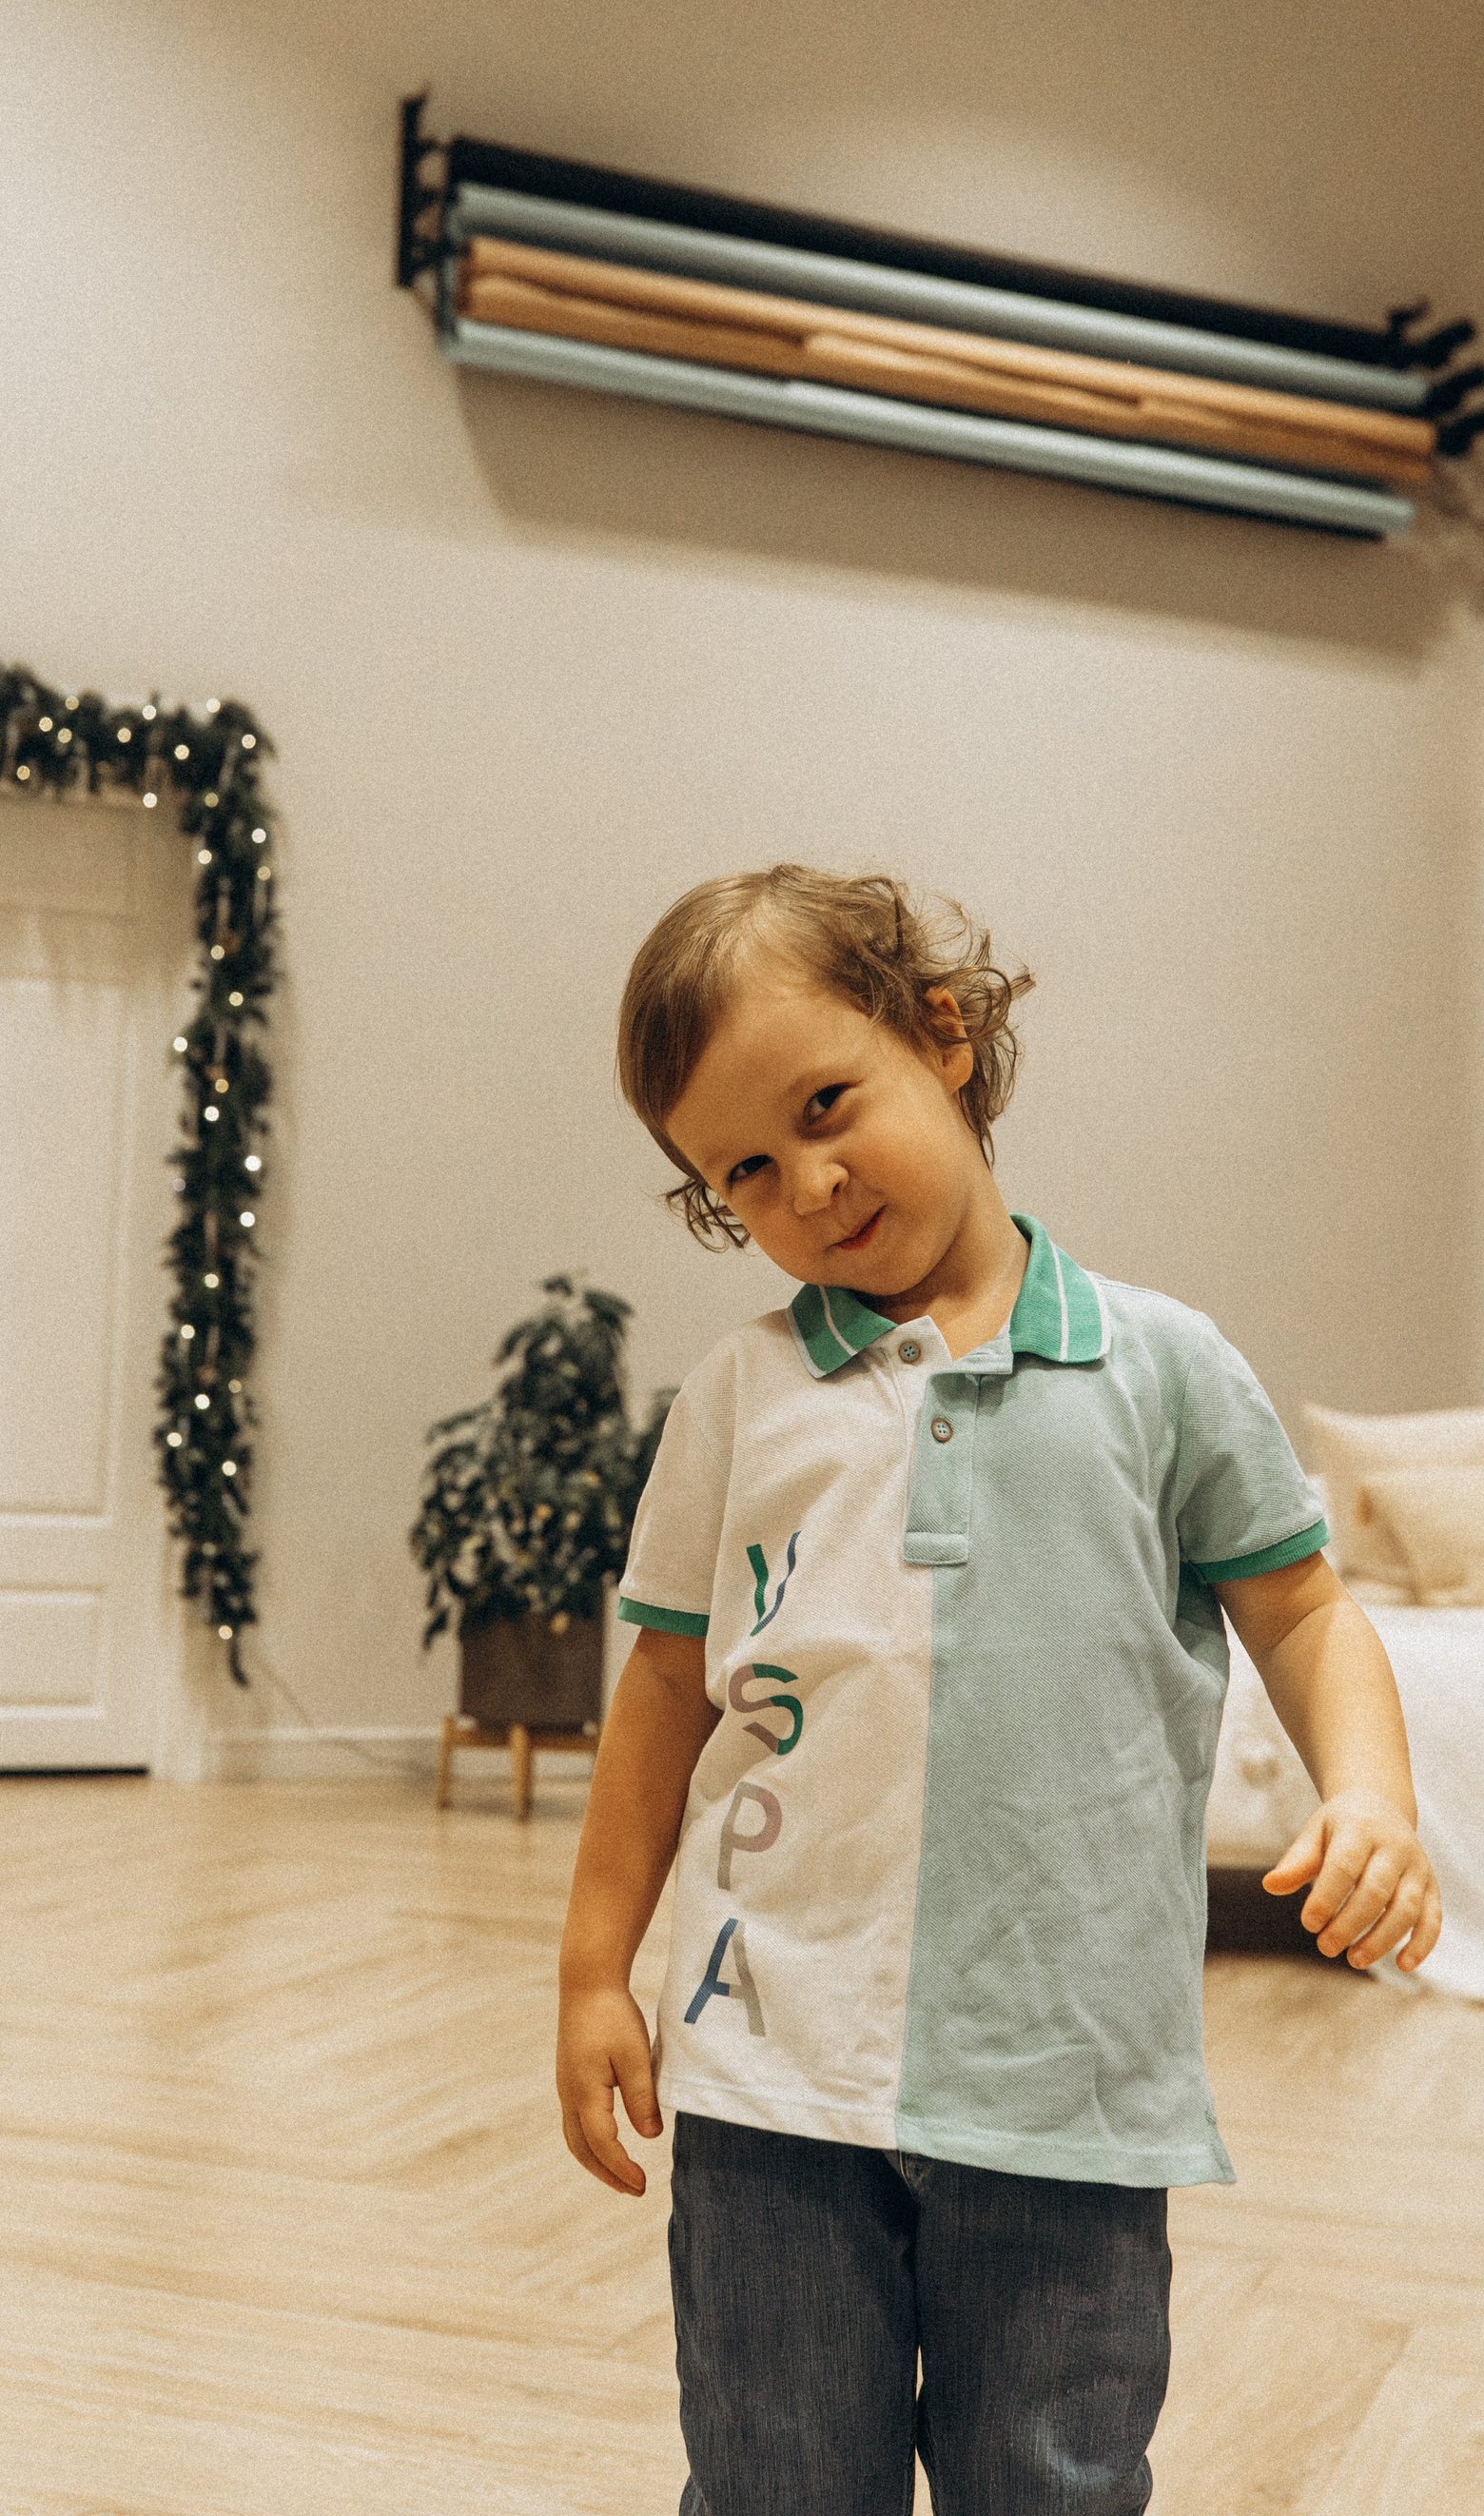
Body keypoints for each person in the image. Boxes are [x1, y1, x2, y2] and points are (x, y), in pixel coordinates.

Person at [556, 864, 1441, 2516]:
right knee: (771, 2482)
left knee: (1054, 2482)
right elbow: (666, 1691)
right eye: (746, 1170)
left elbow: (1308, 1611)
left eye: (827, 1107)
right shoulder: (740, 1396)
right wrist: (594, 1970)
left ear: (941, 1036)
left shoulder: (1166, 1367)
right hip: (770, 2077)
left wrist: (1373, 1794)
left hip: (1068, 2085)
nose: (809, 1183)